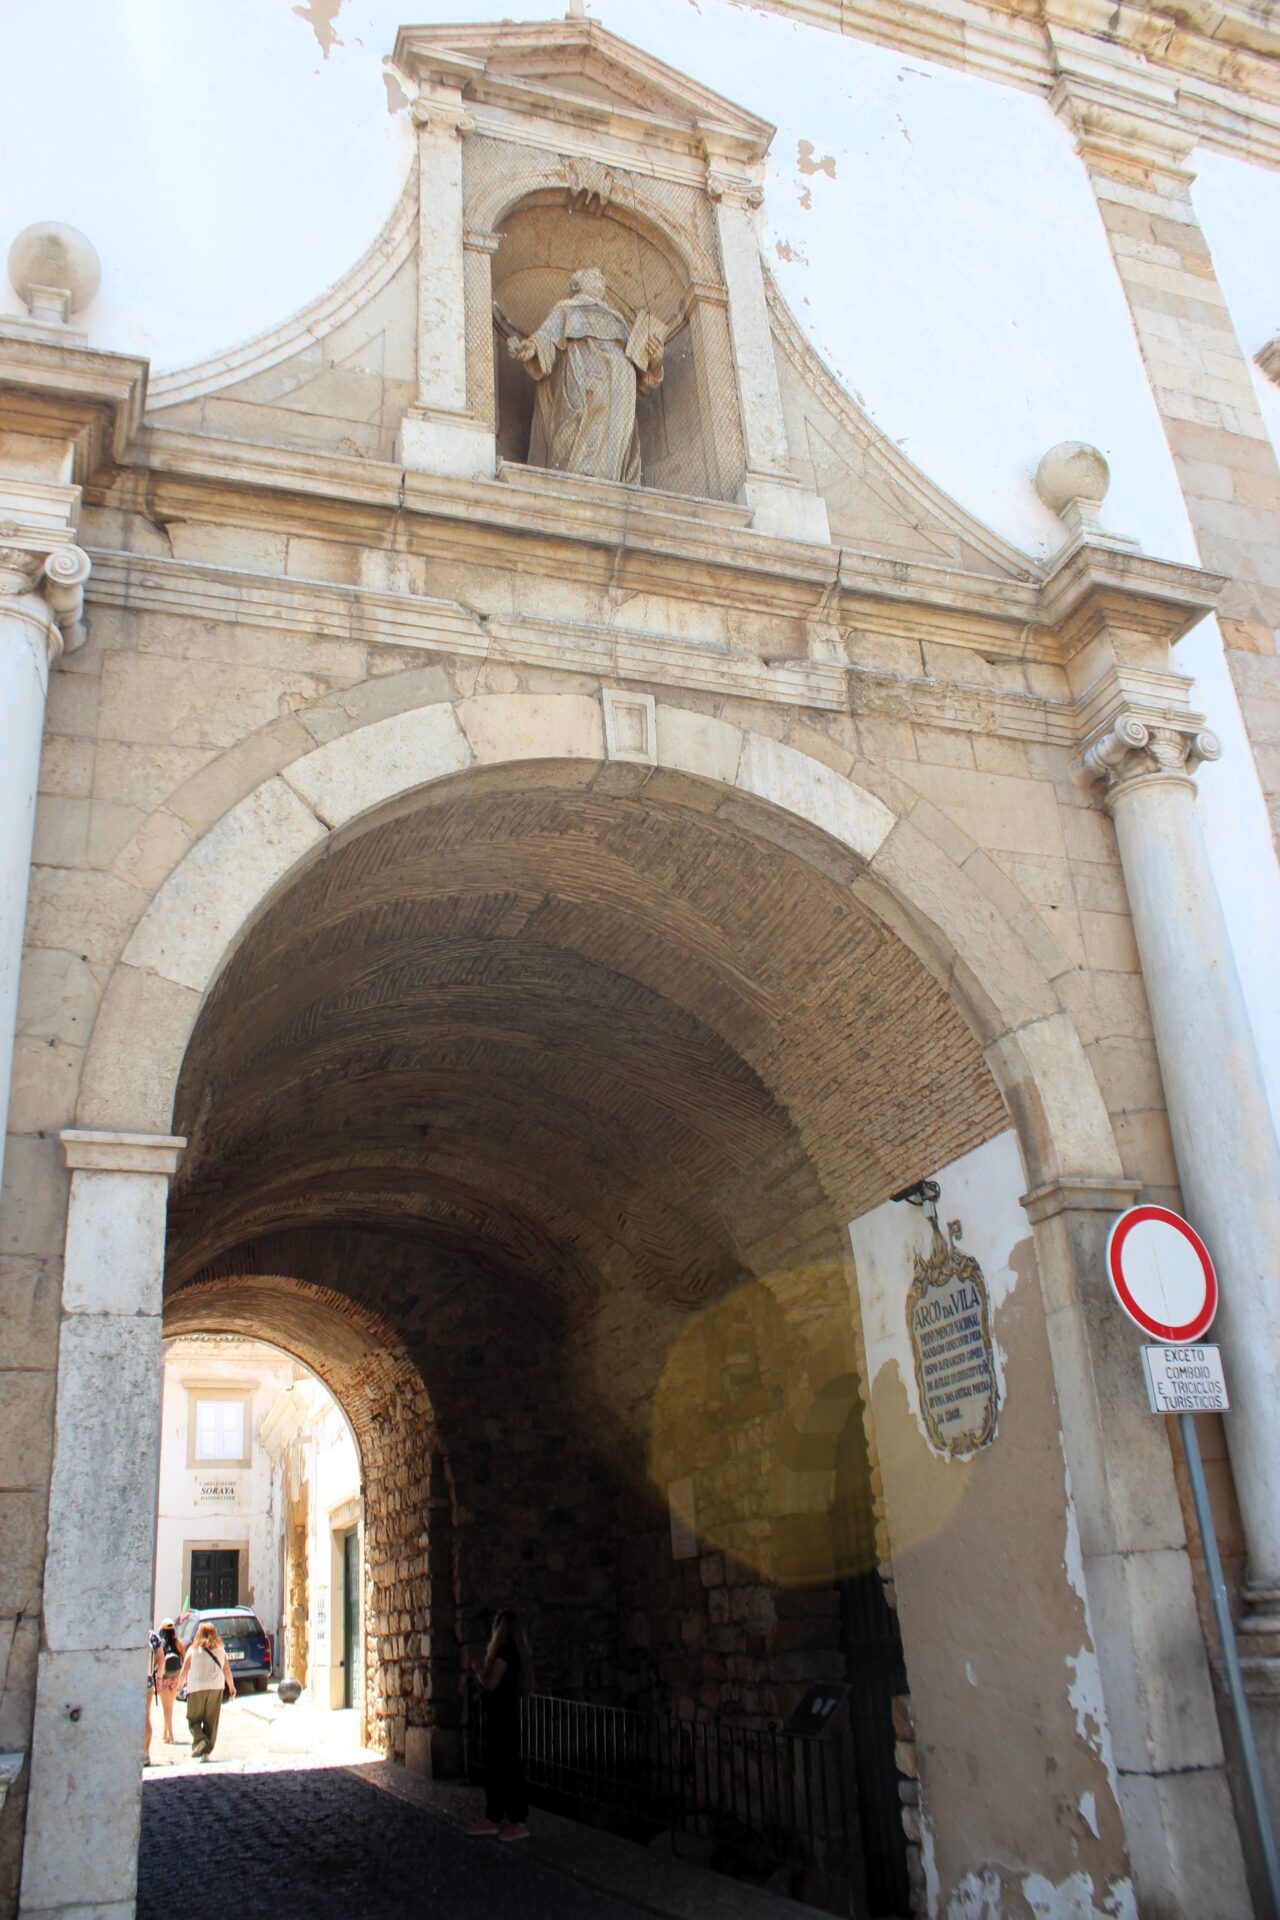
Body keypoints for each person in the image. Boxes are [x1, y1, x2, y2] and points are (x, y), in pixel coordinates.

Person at [508, 267, 664, 485]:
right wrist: (531, 348)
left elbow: (642, 377)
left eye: (602, 276)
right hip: (580, 373)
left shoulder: (617, 319)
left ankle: (609, 475)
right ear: (576, 285)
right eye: (593, 275)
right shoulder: (565, 310)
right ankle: (577, 472)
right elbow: (546, 337)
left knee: (614, 426)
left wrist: (654, 359)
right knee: (581, 411)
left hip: (619, 386)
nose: (600, 277)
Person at [464, 1609, 534, 1841]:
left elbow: (492, 1684)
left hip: (501, 1718)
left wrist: (478, 1671)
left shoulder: (505, 1653)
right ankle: (506, 1816)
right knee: (506, 1764)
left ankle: (505, 1817)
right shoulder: (517, 1653)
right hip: (508, 1716)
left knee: (500, 1765)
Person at [178, 1620, 236, 1761]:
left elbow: (185, 1669)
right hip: (216, 1688)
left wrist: (179, 1687)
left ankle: (199, 1740)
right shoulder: (220, 1650)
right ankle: (205, 1752)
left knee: (193, 1719)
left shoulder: (193, 1650)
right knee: (211, 1721)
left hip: (196, 1688)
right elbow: (226, 1669)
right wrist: (232, 1687)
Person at [152, 1619, 184, 1744]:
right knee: (170, 1706)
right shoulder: (178, 1643)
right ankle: (165, 1733)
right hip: (175, 1678)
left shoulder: (160, 1644)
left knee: (166, 1708)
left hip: (164, 1678)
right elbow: (184, 1657)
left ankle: (170, 1734)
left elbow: (157, 1661)